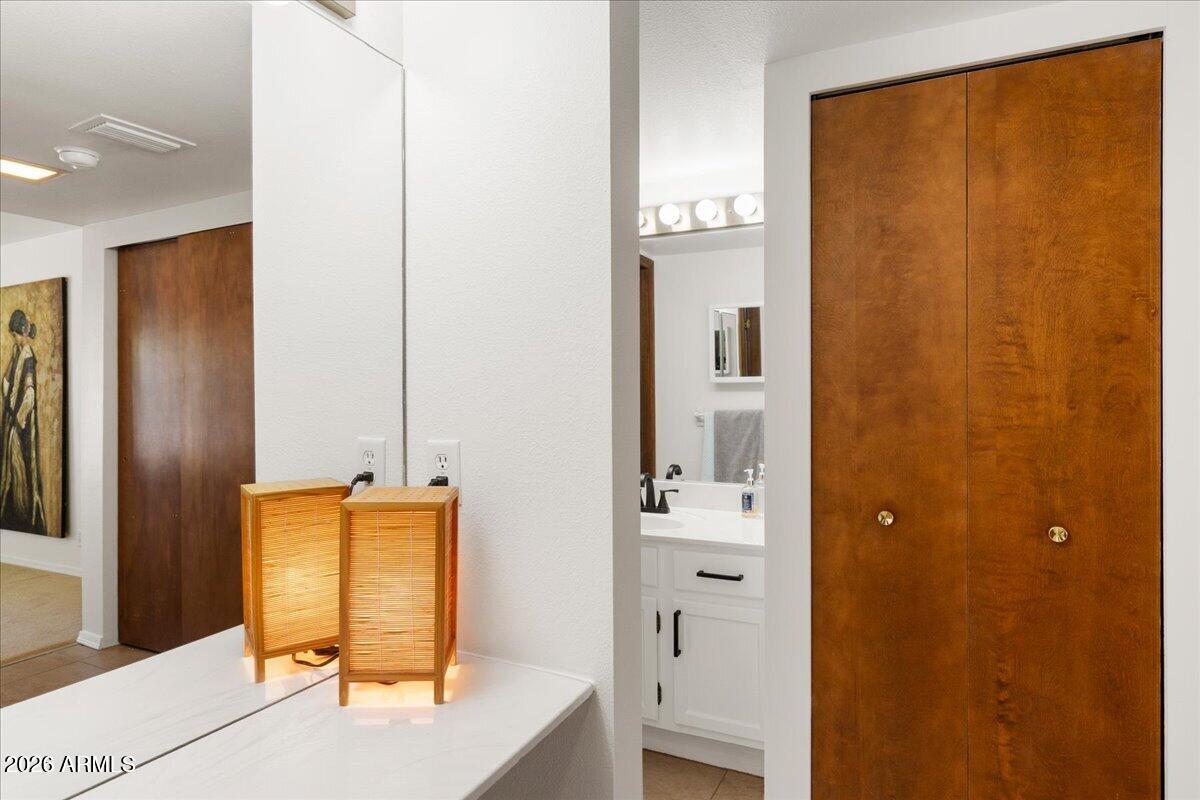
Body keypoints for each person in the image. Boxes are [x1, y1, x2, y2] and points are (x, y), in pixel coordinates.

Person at [0, 308, 47, 535]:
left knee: (21, 473)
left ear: (22, 332)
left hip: (21, 426)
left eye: (15, 335)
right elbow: (7, 384)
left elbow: (29, 394)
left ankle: (22, 517)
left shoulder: (28, 356)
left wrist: (18, 421)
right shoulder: (17, 352)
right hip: (13, 422)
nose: (14, 339)